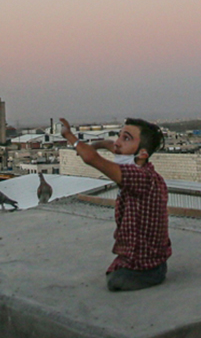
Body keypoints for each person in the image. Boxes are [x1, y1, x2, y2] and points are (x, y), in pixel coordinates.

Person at [59, 117, 171, 292]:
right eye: (119, 136)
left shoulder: (140, 177)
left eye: (126, 138)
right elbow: (111, 145)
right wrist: (97, 145)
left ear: (143, 154)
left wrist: (69, 136)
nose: (118, 143)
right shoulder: (144, 170)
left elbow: (91, 159)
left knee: (115, 281)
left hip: (145, 266)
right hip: (145, 260)